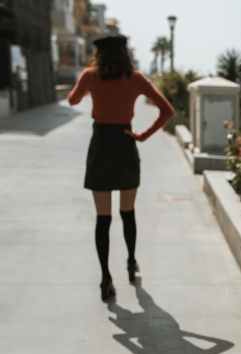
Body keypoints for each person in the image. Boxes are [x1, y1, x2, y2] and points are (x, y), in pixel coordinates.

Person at [68, 35, 174, 301]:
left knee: (103, 219)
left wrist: (87, 82)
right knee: (128, 213)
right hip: (126, 146)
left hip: (101, 147)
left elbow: (72, 100)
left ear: (99, 54)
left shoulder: (90, 76)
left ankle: (105, 278)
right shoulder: (136, 78)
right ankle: (130, 261)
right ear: (125, 54)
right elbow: (167, 111)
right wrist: (143, 135)